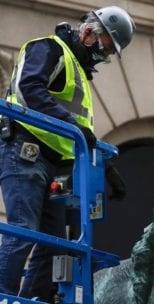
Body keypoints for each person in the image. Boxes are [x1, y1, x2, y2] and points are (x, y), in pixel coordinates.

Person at [0, 6, 134, 301]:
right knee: (24, 229)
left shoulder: (78, 73)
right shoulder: (48, 48)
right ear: (89, 33)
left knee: (54, 243)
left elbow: (80, 129)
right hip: (24, 150)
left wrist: (107, 168)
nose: (105, 57)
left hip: (54, 163)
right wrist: (71, 125)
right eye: (107, 49)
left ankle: (30, 300)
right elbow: (27, 89)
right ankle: (3, 295)